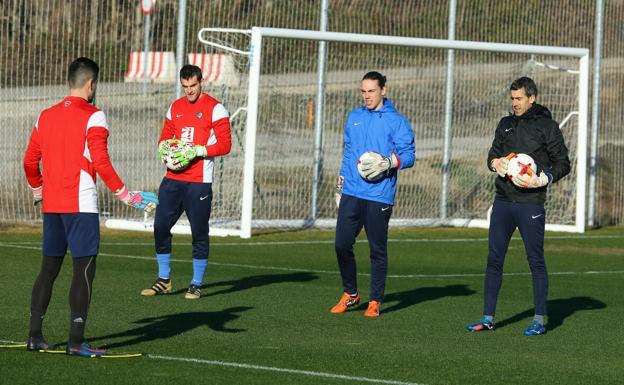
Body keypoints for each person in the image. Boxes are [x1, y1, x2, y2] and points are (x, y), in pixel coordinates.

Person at [23, 57, 159, 357]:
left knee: (48, 270)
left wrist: (38, 189)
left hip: (53, 206)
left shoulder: (44, 116)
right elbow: (101, 162)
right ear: (91, 84)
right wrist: (127, 195)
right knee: (83, 269)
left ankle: (34, 336)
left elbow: (29, 162)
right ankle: (75, 341)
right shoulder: (94, 115)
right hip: (80, 205)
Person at [466, 76, 571, 336]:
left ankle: (539, 319)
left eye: (519, 99)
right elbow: (492, 154)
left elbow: (563, 163)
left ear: (532, 98)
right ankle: (488, 318)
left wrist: (542, 178)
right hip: (502, 202)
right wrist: (495, 164)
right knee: (494, 260)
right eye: (512, 98)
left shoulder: (547, 126)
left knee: (535, 261)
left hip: (530, 203)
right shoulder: (505, 124)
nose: (514, 103)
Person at [141, 64, 232, 300]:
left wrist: (198, 150)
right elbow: (165, 137)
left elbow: (225, 144)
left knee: (199, 232)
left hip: (199, 181)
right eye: (185, 87)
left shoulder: (216, 108)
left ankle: (196, 283)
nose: (189, 91)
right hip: (172, 178)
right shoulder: (175, 108)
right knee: (160, 226)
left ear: (201, 82)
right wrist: (165, 149)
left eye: (193, 86)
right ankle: (164, 279)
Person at [331, 71, 415, 317]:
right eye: (363, 91)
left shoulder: (397, 121)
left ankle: (375, 300)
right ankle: (351, 294)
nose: (367, 96)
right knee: (341, 244)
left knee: (377, 249)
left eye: (371, 91)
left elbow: (409, 155)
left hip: (379, 195)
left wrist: (389, 162)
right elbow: (348, 153)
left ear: (383, 90)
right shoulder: (355, 117)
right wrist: (340, 185)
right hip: (352, 192)